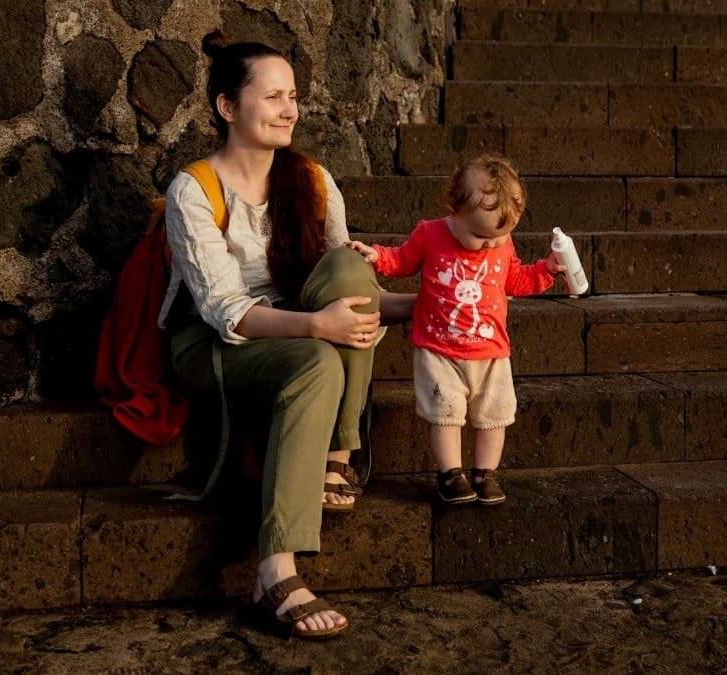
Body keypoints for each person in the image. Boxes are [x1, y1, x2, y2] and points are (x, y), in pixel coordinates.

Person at [163, 31, 412, 639]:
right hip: (213, 344)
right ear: (227, 107)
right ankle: (276, 568)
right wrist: (316, 326)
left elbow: (353, 292)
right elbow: (227, 310)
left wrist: (438, 303)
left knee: (350, 263)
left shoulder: (313, 179)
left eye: (293, 97)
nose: (289, 110)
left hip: (299, 328)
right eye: (273, 97)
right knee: (316, 360)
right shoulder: (194, 190)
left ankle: (337, 456)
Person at [345, 155, 565, 506]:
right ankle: (451, 473)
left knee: (494, 416)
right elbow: (402, 260)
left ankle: (485, 473)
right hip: (439, 349)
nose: (490, 244)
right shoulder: (430, 234)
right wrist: (376, 255)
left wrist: (547, 271)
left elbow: (516, 279)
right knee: (445, 413)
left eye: (500, 236)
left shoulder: (501, 242)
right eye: (479, 235)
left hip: (491, 351)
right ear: (454, 209)